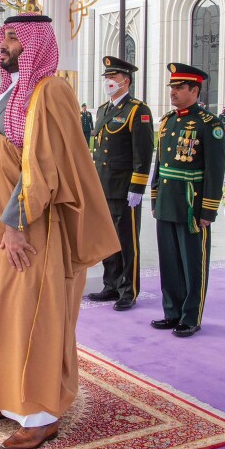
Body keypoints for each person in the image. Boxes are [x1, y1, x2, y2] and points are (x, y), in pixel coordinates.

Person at [0, 13, 119, 449]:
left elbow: (44, 167)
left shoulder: (51, 93)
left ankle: (39, 415)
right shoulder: (5, 95)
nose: (5, 45)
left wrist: (14, 223)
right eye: (3, 38)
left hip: (29, 233)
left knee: (33, 318)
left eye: (15, 39)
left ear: (37, 45)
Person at [150, 63, 225, 338]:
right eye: (172, 87)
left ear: (194, 90)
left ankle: (190, 316)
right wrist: (155, 198)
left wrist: (208, 209)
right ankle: (171, 312)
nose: (174, 92)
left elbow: (215, 172)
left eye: (180, 88)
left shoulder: (210, 125)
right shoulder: (168, 121)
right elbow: (159, 165)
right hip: (168, 202)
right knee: (169, 261)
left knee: (193, 262)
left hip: (192, 204)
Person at [87, 56, 154, 311]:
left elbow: (143, 152)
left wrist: (137, 187)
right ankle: (110, 285)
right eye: (106, 77)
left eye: (112, 77)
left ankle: (128, 289)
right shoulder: (104, 110)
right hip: (104, 185)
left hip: (125, 188)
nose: (108, 82)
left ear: (125, 81)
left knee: (126, 240)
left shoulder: (138, 110)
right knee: (107, 238)